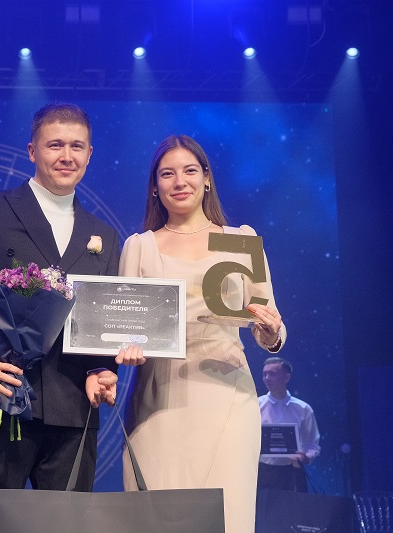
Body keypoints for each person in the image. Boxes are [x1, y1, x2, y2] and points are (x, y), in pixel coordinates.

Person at [0, 102, 126, 533]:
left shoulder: (104, 236)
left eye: (77, 146)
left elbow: (101, 323)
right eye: (55, 145)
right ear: (32, 150)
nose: (66, 156)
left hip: (73, 410)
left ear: (90, 154)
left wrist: (102, 368)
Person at [118, 134, 286, 533]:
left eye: (190, 171)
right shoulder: (139, 247)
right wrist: (125, 348)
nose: (180, 181)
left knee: (226, 516)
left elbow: (271, 325)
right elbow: (123, 326)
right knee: (156, 518)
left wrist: (271, 331)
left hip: (226, 396)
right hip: (157, 399)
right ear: (155, 186)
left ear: (206, 178)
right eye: (167, 174)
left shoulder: (242, 241)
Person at [257, 356, 320, 492]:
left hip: (293, 473)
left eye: (272, 374)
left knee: (296, 506)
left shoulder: (303, 409)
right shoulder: (254, 406)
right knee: (262, 506)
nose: (267, 378)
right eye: (264, 374)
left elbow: (312, 444)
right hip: (262, 472)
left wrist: (305, 457)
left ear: (286, 378)